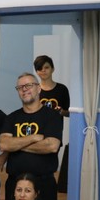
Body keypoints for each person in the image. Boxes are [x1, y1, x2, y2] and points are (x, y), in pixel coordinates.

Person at [0, 73, 63, 200]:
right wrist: (33, 138)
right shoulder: (12, 117)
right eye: (20, 87)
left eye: (28, 85)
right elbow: (4, 144)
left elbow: (51, 146)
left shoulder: (52, 116)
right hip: (15, 184)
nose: (24, 89)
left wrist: (16, 144)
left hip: (43, 184)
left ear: (39, 88)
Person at [35, 54, 71, 192]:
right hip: (36, 134)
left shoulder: (62, 89)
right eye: (39, 69)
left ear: (53, 69)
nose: (43, 71)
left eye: (46, 67)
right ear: (36, 71)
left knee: (49, 168)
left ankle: (47, 192)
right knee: (35, 166)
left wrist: (61, 111)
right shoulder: (34, 90)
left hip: (54, 134)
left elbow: (69, 112)